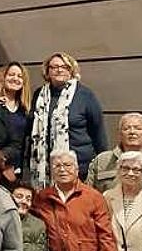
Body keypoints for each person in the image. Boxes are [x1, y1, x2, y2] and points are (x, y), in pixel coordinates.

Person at [27, 52, 107, 185]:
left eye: (65, 67)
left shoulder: (85, 95)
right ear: (47, 71)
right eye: (54, 67)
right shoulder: (39, 95)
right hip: (44, 167)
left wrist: (103, 166)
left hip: (79, 168)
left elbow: (98, 132)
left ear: (71, 70)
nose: (59, 70)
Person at [0, 63, 31, 178]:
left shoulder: (25, 109)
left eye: (20, 76)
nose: (15, 78)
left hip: (17, 169)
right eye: (11, 75)